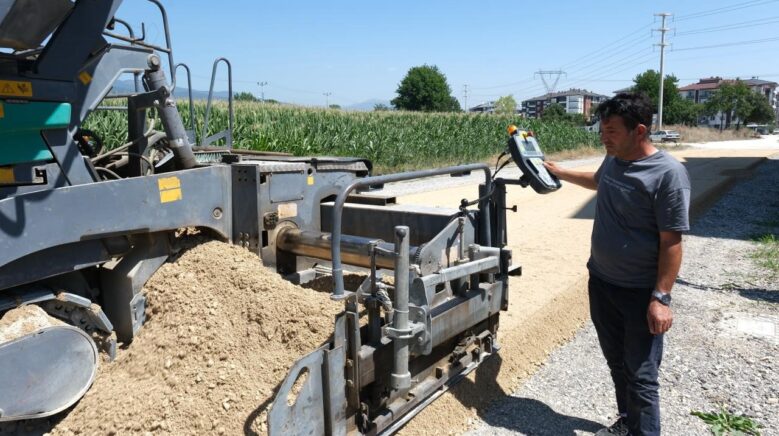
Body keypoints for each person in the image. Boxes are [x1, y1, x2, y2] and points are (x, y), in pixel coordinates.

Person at [543, 92, 690, 436]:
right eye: (601, 131)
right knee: (617, 363)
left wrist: (661, 298)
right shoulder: (614, 159)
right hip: (603, 282)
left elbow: (672, 241)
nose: (603, 138)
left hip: (640, 292)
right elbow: (599, 182)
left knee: (641, 376)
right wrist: (560, 171)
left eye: (611, 131)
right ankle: (627, 422)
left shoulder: (666, 174)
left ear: (639, 131)